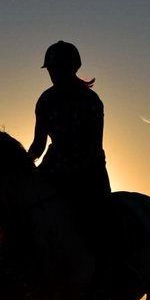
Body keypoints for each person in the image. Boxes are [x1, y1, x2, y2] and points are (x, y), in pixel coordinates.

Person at [28, 40, 111, 212]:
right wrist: (24, 164)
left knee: (102, 217)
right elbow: (38, 144)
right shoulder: (45, 100)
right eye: (51, 70)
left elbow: (94, 147)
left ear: (73, 68)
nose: (54, 74)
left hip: (88, 171)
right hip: (53, 167)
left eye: (58, 69)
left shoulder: (91, 101)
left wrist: (73, 177)